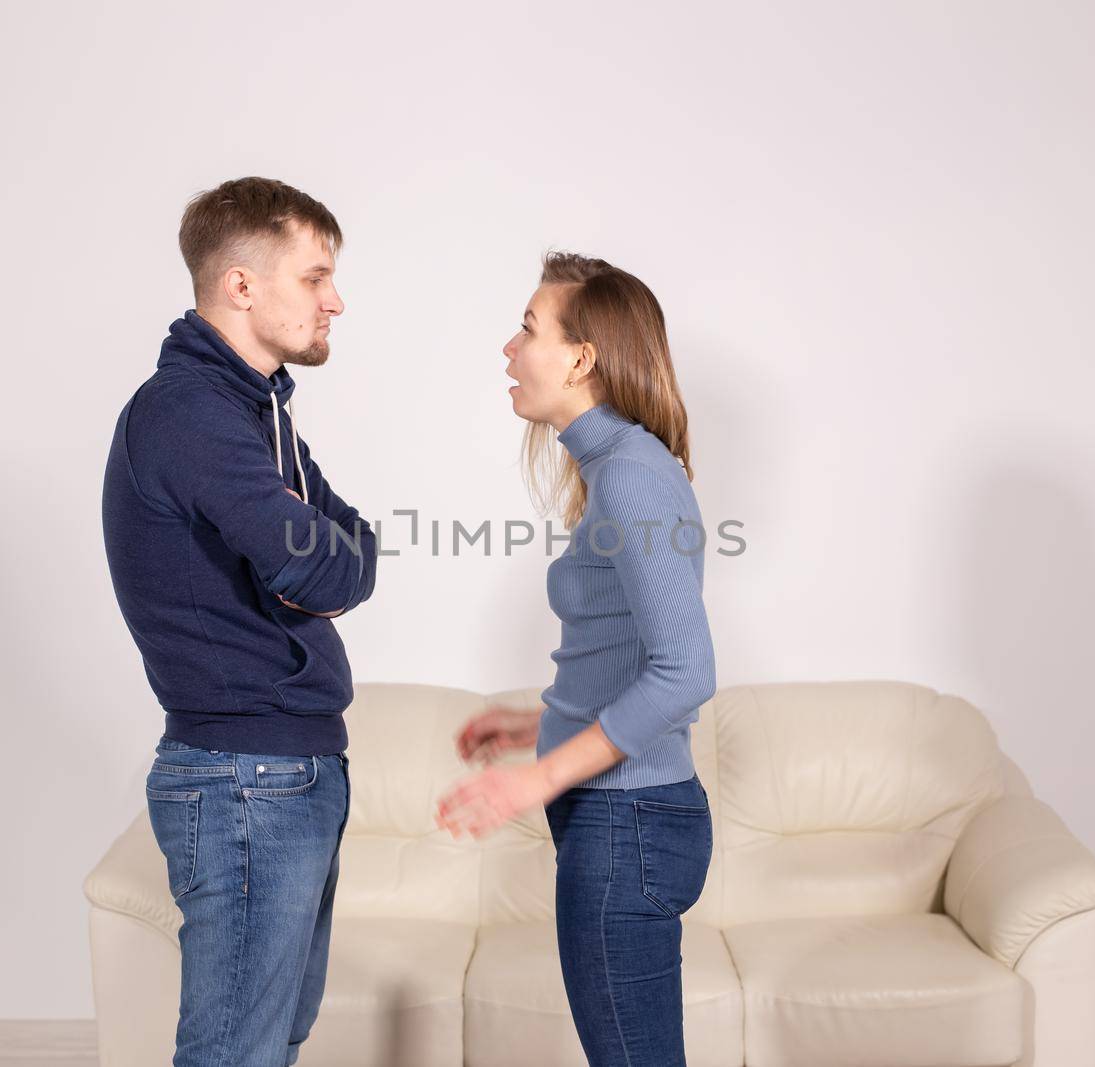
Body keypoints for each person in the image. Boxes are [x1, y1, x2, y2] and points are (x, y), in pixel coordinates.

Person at [100, 177, 376, 1067]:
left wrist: (315, 557)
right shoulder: (190, 413)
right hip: (244, 779)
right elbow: (313, 559)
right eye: (315, 277)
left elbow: (358, 549)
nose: (335, 300)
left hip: (285, 769)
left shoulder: (255, 414)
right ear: (243, 286)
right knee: (235, 1054)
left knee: (268, 1044)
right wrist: (310, 562)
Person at [436, 251, 717, 1066]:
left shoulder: (630, 474)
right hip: (625, 820)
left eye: (528, 328)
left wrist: (536, 776)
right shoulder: (616, 468)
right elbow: (632, 652)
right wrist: (538, 723)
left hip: (627, 822)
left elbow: (686, 670)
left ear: (582, 356)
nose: (508, 348)